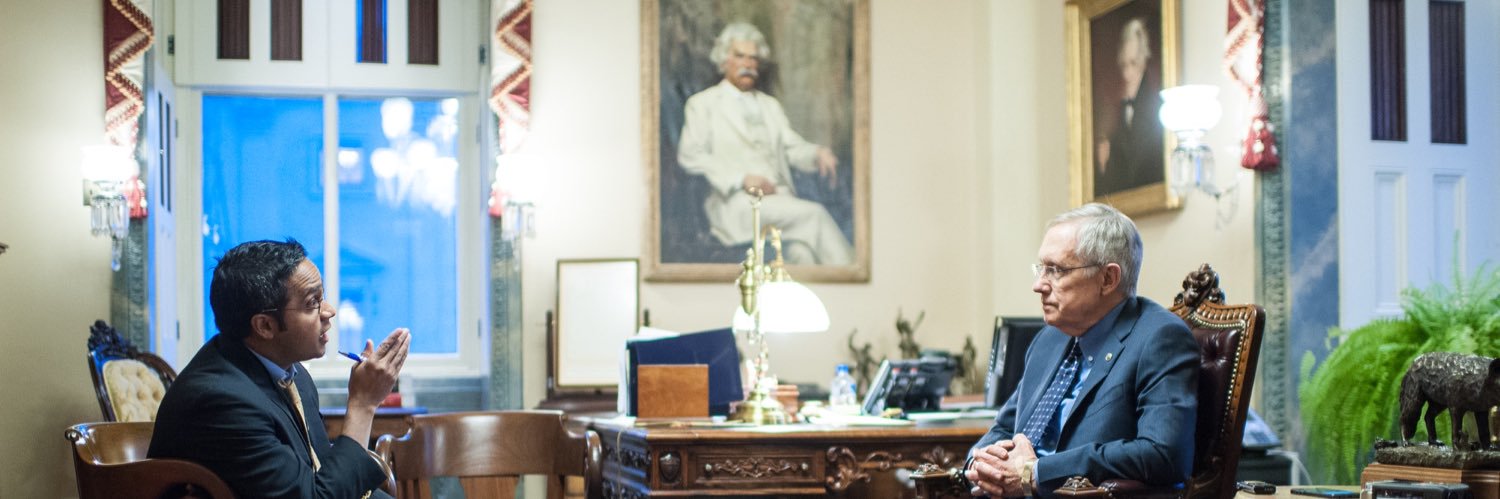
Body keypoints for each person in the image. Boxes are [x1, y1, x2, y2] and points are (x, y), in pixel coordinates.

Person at [965, 203, 1198, 498]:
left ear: (1108, 279)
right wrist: (978, 463)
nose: (1038, 285)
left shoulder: (1159, 339)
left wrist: (1036, 473)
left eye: (1056, 270)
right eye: (1041, 268)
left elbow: (1163, 454)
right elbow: (1004, 428)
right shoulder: (1049, 340)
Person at [150, 239, 410, 499]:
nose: (329, 311)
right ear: (265, 326)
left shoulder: (294, 375)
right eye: (312, 302)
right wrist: (363, 404)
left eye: (323, 298)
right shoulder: (219, 401)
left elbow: (322, 473)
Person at [677, 21, 854, 265]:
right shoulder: (703, 104)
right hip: (737, 204)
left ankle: (832, 288)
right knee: (815, 215)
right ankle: (854, 274)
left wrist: (817, 153)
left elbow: (792, 148)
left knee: (801, 254)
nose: (748, 64)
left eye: (753, 58)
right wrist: (741, 179)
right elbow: (690, 156)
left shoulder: (770, 106)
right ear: (724, 60)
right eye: (740, 56)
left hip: (781, 200)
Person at [1093, 17, 1164, 197]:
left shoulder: (1157, 109)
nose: (1127, 74)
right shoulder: (1118, 115)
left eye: (1133, 63)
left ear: (1143, 63)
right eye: (1124, 65)